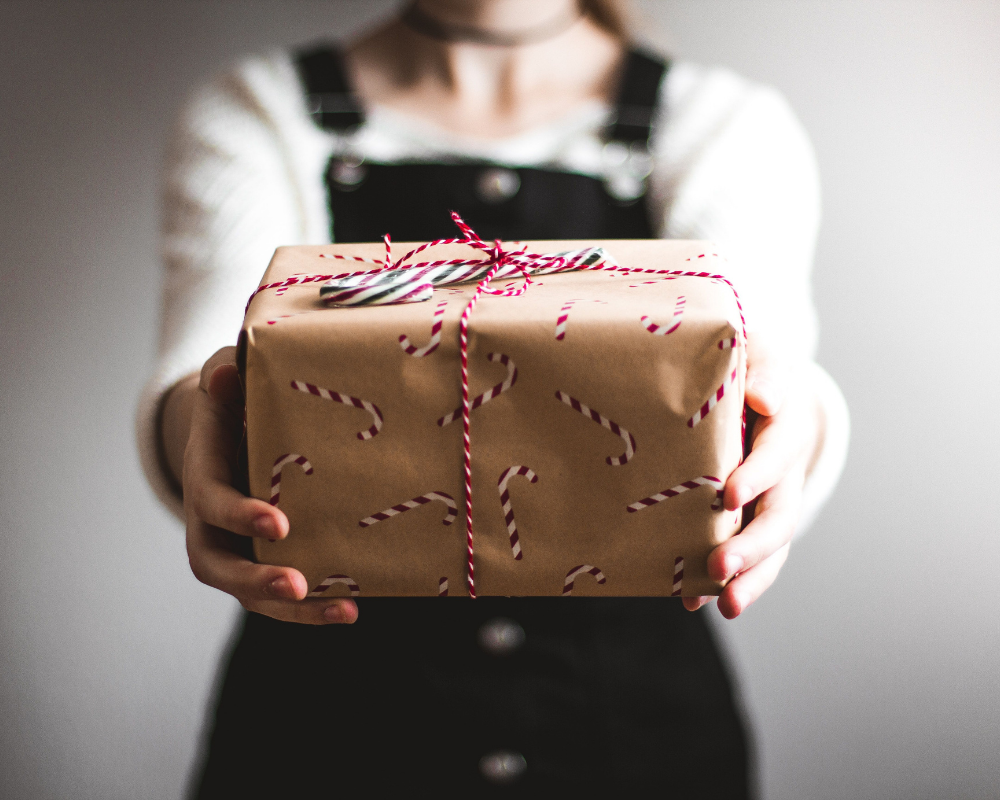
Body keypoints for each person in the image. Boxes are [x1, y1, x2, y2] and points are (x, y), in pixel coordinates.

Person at [137, 0, 849, 795]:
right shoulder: (260, 112)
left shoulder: (721, 123)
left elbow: (768, 361)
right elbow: (206, 366)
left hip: (637, 745)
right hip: (323, 746)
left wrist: (799, 424)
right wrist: (197, 434)